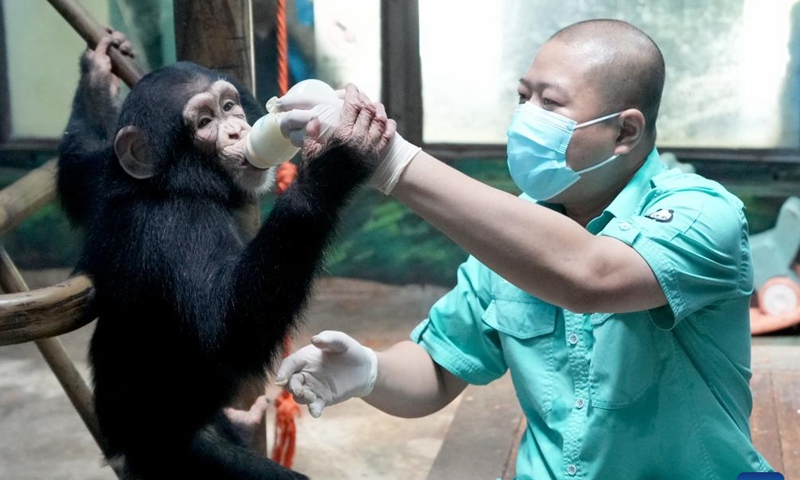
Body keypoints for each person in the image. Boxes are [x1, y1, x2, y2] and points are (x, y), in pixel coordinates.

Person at [275, 19, 775, 478]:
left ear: (624, 131)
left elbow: (591, 276)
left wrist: (390, 160)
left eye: (550, 104)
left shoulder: (703, 214)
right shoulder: (515, 236)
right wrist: (370, 372)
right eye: (522, 96)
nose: (524, 118)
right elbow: (437, 370)